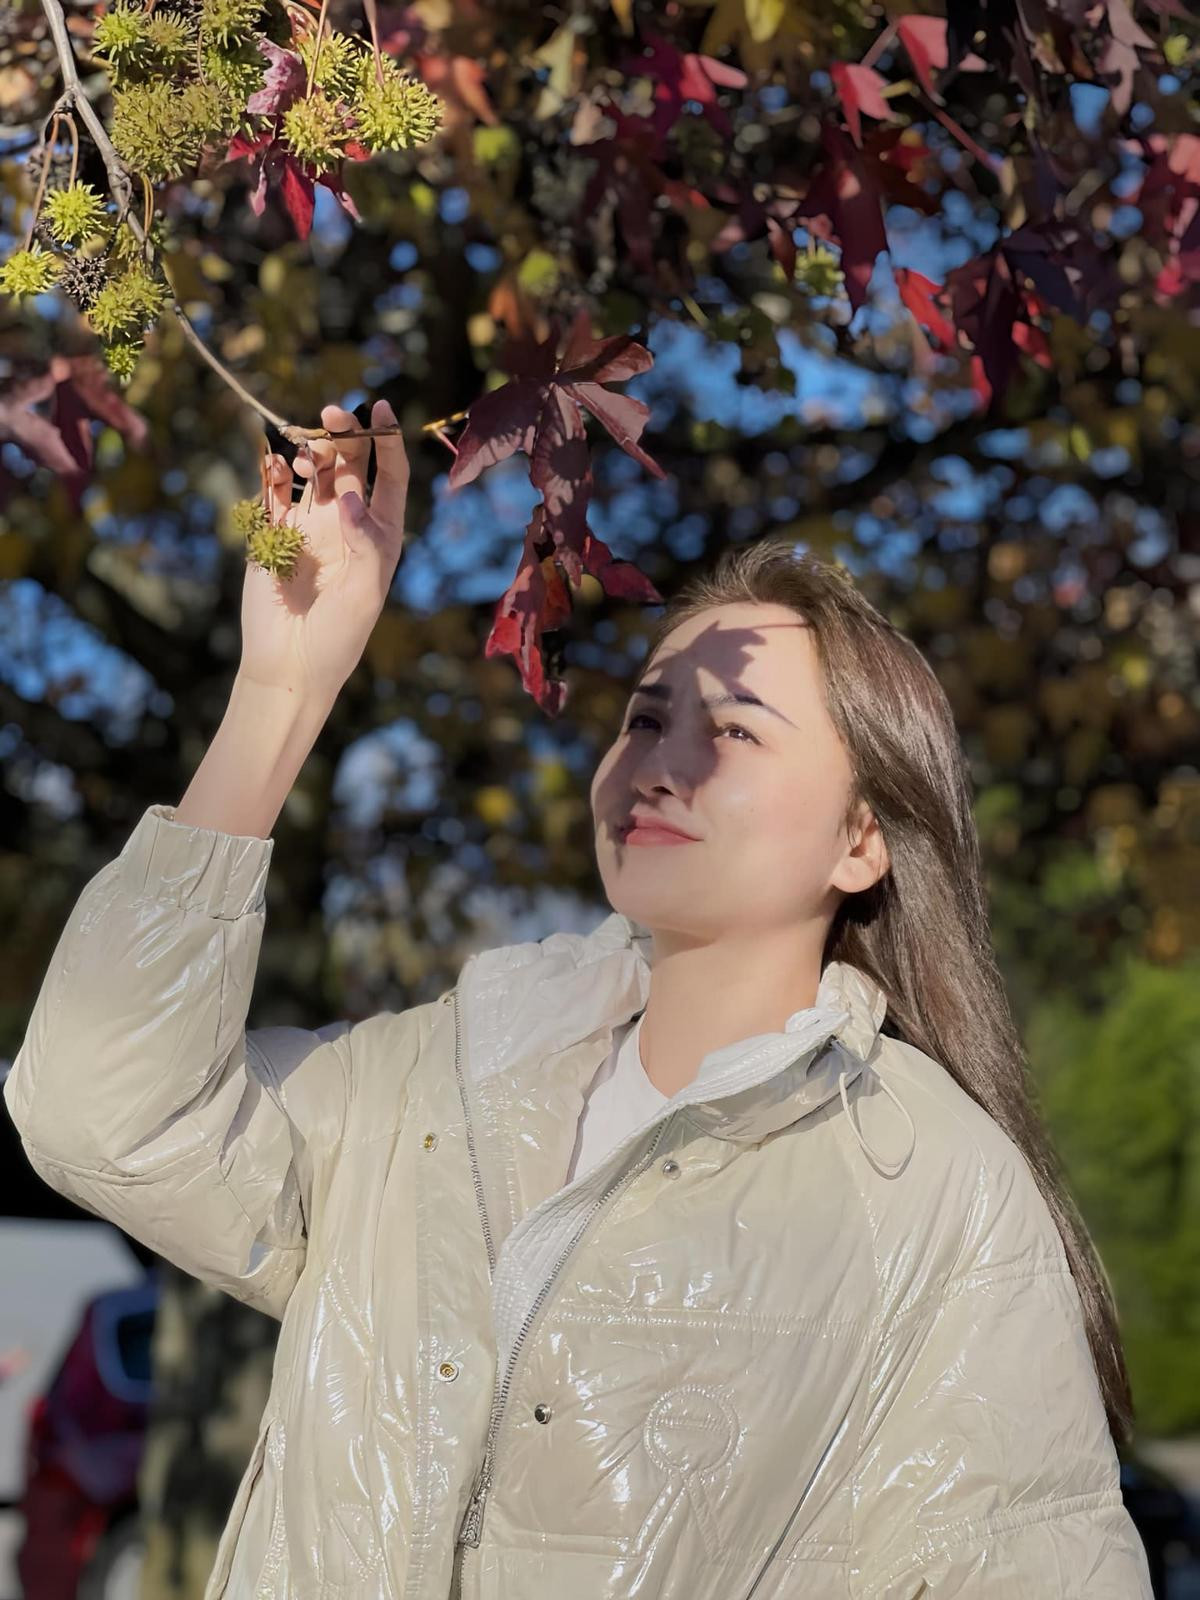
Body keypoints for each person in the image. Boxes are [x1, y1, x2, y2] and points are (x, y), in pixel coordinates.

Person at [4, 402, 1153, 1599]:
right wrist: (283, 689)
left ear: (862, 840)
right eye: (647, 715)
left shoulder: (932, 1191)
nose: (661, 756)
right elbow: (98, 1109)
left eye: (735, 730)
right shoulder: (432, 1083)